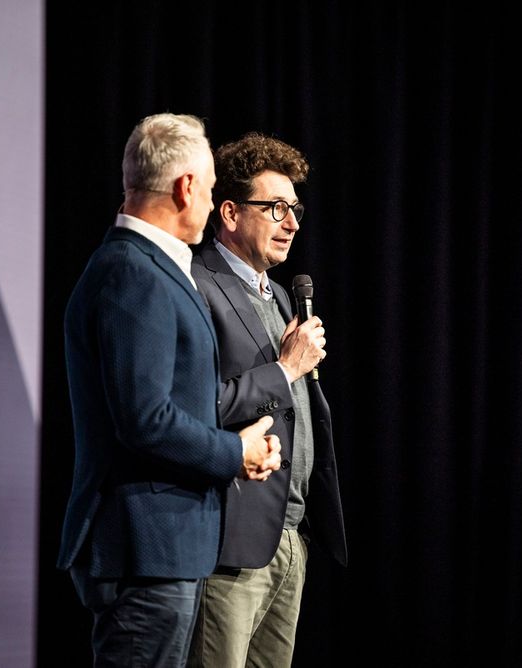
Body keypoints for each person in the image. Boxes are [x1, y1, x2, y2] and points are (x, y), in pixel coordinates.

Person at [57, 113, 282, 668]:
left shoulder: (149, 267)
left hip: (164, 548)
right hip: (143, 550)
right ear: (186, 188)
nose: (209, 204)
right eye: (208, 190)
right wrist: (235, 452)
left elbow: (168, 400)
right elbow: (145, 419)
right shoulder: (132, 271)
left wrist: (245, 439)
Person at [187, 132, 348, 667]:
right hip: (232, 537)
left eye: (295, 208)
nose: (293, 222)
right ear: (229, 213)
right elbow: (193, 406)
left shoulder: (279, 295)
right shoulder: (197, 285)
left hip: (290, 535)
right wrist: (285, 369)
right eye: (276, 207)